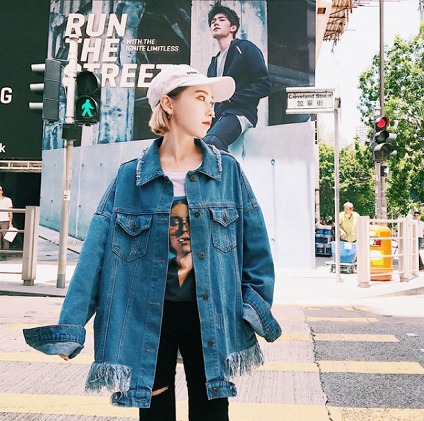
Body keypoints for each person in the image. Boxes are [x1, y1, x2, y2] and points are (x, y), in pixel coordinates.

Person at [23, 64, 281, 421]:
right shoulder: (131, 177)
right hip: (148, 318)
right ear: (169, 104)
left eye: (211, 101)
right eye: (200, 98)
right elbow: (95, 255)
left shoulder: (227, 172)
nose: (211, 109)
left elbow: (257, 252)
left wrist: (252, 309)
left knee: (211, 410)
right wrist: (71, 325)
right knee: (155, 410)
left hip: (210, 315)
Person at [203, 1, 272, 152]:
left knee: (212, 142)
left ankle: (228, 168)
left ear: (233, 27)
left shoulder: (245, 48)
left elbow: (264, 84)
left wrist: (232, 98)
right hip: (219, 118)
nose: (215, 23)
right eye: (213, 21)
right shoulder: (213, 64)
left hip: (241, 113)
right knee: (196, 147)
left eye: (221, 20)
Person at [0, 185, 13, 256]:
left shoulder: (8, 200)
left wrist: (10, 222)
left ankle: (4, 255)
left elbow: (10, 212)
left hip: (5, 220)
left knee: (5, 239)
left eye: (0, 190)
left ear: (2, 191)